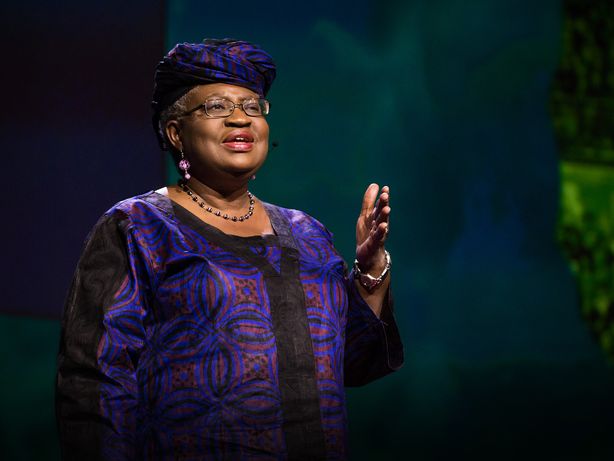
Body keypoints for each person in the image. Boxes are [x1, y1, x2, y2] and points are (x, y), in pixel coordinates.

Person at [55, 38, 403, 460]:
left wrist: (369, 269)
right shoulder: (138, 227)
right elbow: (94, 384)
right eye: (216, 106)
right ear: (175, 133)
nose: (240, 118)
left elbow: (351, 363)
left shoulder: (308, 234)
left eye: (253, 106)